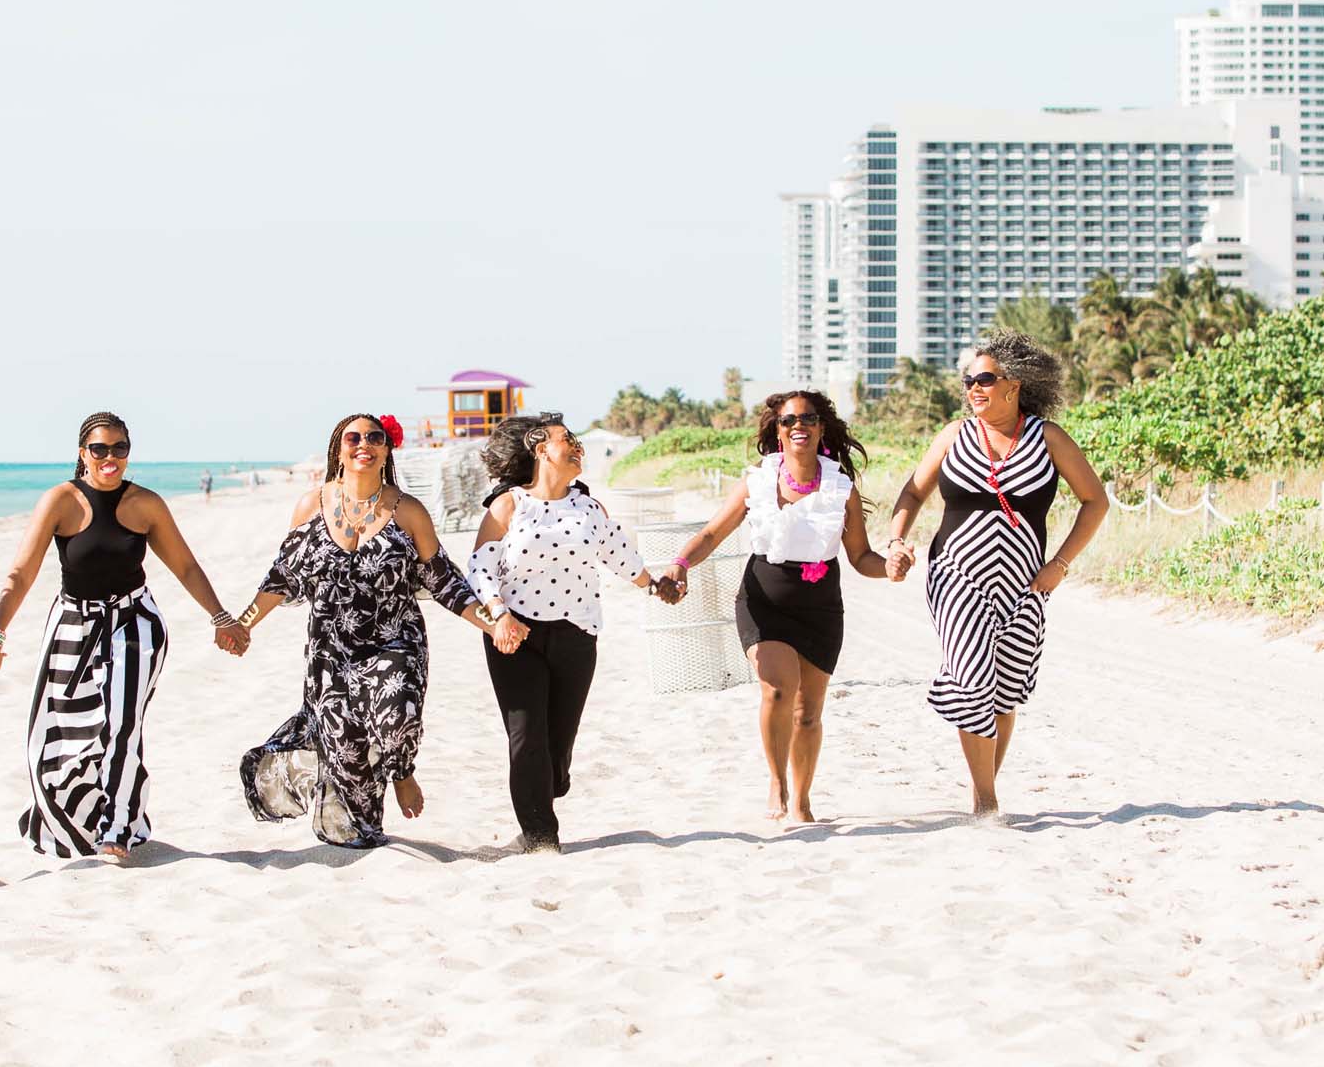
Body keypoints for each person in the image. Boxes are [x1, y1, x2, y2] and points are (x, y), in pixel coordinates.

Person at [230, 412, 521, 849]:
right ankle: (364, 833)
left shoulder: (408, 511)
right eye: (354, 437)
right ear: (338, 449)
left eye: (374, 438)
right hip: (330, 652)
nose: (363, 444)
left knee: (397, 718)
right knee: (346, 747)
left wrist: (494, 621)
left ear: (386, 450)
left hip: (395, 641)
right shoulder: (312, 505)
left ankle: (402, 771)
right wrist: (243, 624)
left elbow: (445, 582)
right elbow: (282, 577)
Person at [0, 413, 248, 865]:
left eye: (120, 448)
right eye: (100, 449)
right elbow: (21, 572)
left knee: (122, 725)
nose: (110, 458)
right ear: (83, 452)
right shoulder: (60, 501)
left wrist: (221, 618)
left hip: (134, 623)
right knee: (53, 735)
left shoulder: (146, 504)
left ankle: (118, 825)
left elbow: (186, 567)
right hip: (71, 625)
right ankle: (78, 818)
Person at [882, 332, 1109, 819]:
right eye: (969, 381)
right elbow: (911, 494)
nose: (973, 388)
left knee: (1005, 690)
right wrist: (897, 540)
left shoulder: (1047, 438)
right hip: (956, 576)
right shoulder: (953, 436)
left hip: (1027, 583)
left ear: (1015, 384)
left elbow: (1096, 501)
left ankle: (984, 788)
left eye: (984, 379)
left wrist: (1061, 564)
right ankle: (986, 800)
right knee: (969, 682)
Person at [662, 392, 891, 824]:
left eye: (807, 418)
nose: (797, 426)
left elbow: (862, 557)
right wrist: (680, 564)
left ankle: (802, 799)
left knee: (808, 714)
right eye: (788, 421)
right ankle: (777, 780)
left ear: (821, 428)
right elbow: (712, 533)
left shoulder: (842, 488)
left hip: (821, 607)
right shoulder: (758, 481)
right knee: (778, 688)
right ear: (778, 429)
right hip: (763, 600)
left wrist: (892, 568)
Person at [466, 414, 678, 853]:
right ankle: (541, 837)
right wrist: (499, 614)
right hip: (516, 635)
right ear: (541, 448)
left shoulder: (588, 509)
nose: (578, 447)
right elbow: (480, 568)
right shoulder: (508, 505)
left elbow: (622, 556)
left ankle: (548, 785)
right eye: (570, 441)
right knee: (527, 738)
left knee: (557, 748)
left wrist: (654, 585)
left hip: (576, 635)